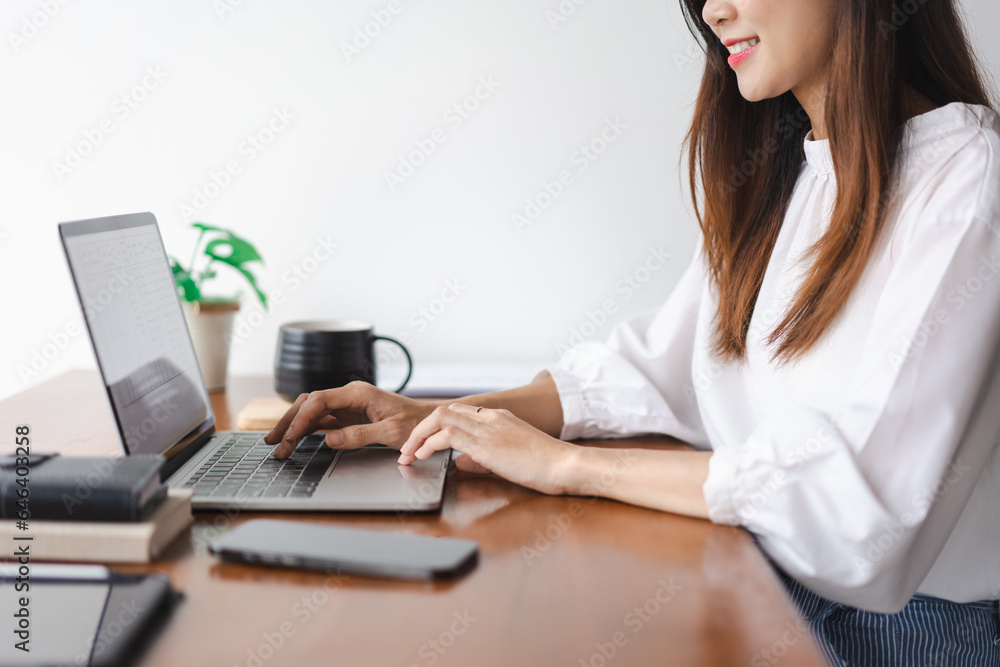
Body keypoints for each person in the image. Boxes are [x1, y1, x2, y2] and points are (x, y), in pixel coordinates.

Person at [266, 0, 1000, 662]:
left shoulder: (968, 184)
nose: (713, 10)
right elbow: (652, 370)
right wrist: (438, 418)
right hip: (757, 578)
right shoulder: (791, 172)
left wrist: (566, 466)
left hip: (900, 636)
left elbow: (860, 517)